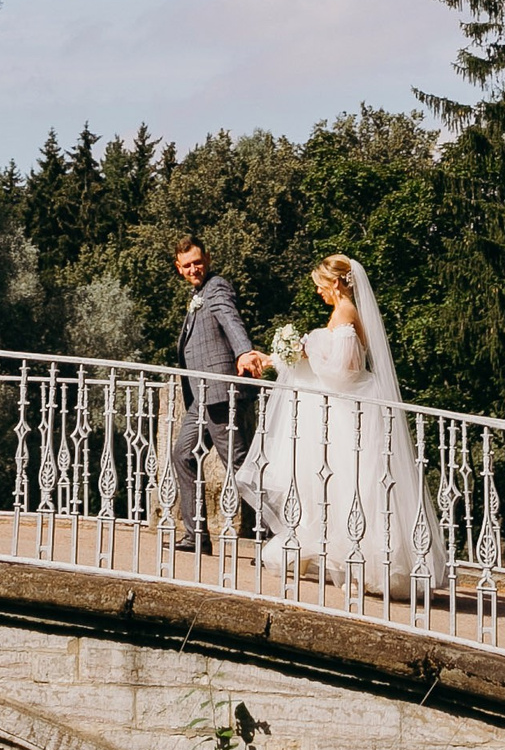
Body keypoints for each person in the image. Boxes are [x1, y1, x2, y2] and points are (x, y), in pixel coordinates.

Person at [241, 254, 445, 600]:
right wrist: (279, 357)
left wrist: (304, 351)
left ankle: (360, 562)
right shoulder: (341, 313)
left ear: (336, 283)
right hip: (334, 411)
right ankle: (326, 552)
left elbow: (346, 371)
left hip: (348, 413)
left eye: (321, 285)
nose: (318, 292)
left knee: (351, 485)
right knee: (328, 485)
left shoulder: (347, 312)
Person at [170, 236, 264, 549]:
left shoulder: (217, 287)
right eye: (187, 265)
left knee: (239, 466)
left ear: (207, 259)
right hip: (202, 396)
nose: (193, 269)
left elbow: (230, 320)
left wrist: (244, 352)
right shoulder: (198, 293)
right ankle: (196, 534)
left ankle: (277, 536)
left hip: (222, 392)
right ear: (179, 268)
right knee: (183, 455)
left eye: (197, 262)